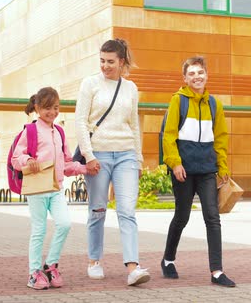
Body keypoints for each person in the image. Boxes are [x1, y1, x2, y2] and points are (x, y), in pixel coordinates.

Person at [75, 38, 150, 286]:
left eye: (110, 62)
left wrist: (138, 159)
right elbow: (80, 123)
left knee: (127, 211)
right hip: (99, 155)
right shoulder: (90, 84)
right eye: (102, 61)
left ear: (121, 62)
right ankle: (94, 260)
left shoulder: (130, 88)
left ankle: (132, 267)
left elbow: (134, 125)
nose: (105, 66)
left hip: (126, 153)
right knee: (97, 210)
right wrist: (89, 156)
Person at [161, 56, 236, 287]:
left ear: (206, 75)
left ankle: (217, 271)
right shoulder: (178, 101)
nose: (197, 77)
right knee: (182, 216)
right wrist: (175, 163)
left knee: (212, 218)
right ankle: (168, 259)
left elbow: (221, 138)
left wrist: (222, 167)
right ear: (185, 78)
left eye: (200, 72)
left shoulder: (215, 104)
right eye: (192, 73)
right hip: (183, 169)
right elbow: (169, 134)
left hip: (206, 169)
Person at [11, 86, 90, 290]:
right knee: (39, 230)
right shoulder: (30, 131)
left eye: (55, 107)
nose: (52, 112)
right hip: (37, 189)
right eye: (47, 108)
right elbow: (16, 158)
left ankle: (50, 265)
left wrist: (85, 168)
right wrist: (28, 159)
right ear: (37, 108)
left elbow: (66, 163)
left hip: (56, 189)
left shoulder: (60, 132)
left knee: (64, 224)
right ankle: (34, 272)